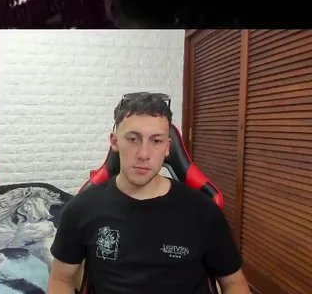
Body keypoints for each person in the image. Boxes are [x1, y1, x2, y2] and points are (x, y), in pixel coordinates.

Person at [47, 92, 249, 294]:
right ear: (115, 142)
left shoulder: (203, 211)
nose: (143, 154)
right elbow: (61, 279)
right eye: (133, 139)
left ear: (167, 147)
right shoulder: (81, 209)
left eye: (156, 141)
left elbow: (234, 283)